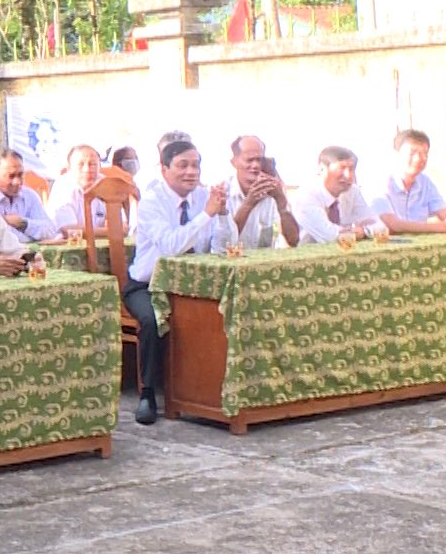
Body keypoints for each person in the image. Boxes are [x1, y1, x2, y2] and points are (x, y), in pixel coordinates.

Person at [126, 139, 228, 425]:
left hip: (192, 286)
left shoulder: (204, 197)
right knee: (152, 319)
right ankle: (148, 394)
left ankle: (206, 392)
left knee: (220, 311)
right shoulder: (152, 201)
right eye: (182, 165)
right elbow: (171, 246)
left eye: (195, 165)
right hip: (148, 284)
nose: (191, 172)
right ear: (164, 169)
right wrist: (207, 214)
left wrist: (222, 216)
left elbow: (221, 247)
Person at [373, 129, 446, 234]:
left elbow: (444, 214)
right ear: (396, 154)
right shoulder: (380, 182)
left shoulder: (425, 182)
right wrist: (445, 227)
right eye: (412, 153)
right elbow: (393, 225)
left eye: (424, 153)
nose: (419, 158)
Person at [291, 145, 388, 244]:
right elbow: (330, 236)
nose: (348, 175)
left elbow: (381, 227)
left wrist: (364, 231)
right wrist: (354, 232)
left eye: (351, 169)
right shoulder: (305, 196)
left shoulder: (352, 192)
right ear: (322, 169)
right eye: (342, 168)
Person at [224, 135, 300, 248]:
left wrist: (281, 203)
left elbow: (293, 241)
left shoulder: (271, 190)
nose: (255, 165)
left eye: (259, 160)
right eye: (249, 160)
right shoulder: (222, 192)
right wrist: (248, 204)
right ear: (234, 162)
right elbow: (224, 244)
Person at [0, 151, 60, 243]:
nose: (17, 182)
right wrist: (32, 238)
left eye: (20, 175)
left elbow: (50, 230)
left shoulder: (29, 195)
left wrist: (23, 224)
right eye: (11, 176)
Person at [47, 145, 109, 238]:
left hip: (102, 242)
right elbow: (69, 231)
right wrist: (110, 232)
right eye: (81, 164)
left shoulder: (106, 183)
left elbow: (123, 226)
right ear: (69, 168)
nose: (87, 170)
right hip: (66, 243)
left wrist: (112, 230)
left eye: (93, 164)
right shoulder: (63, 185)